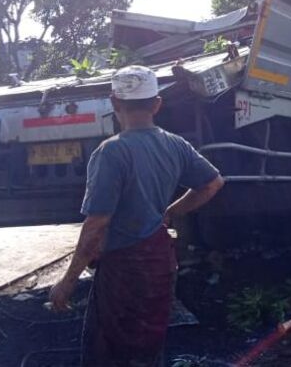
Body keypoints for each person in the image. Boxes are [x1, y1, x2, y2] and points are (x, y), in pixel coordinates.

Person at [48, 65, 224, 366]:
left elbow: (97, 225)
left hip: (123, 270)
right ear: (157, 104)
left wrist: (67, 282)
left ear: (115, 103)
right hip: (159, 263)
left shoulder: (111, 153)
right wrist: (171, 211)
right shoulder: (176, 144)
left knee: (109, 351)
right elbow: (213, 183)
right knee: (148, 345)